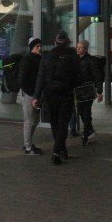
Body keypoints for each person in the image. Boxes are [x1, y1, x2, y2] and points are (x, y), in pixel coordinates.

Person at [32, 32, 81, 165]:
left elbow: (40, 78)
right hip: (66, 94)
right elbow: (79, 78)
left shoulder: (47, 57)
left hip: (50, 94)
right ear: (68, 43)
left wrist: (36, 96)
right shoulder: (73, 57)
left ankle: (60, 148)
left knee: (54, 122)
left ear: (55, 42)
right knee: (63, 123)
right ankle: (57, 151)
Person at [76, 39, 104, 146]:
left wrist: (99, 91)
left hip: (88, 90)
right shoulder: (76, 60)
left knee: (86, 112)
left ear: (85, 49)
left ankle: (85, 134)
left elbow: (97, 76)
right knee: (81, 111)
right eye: (77, 47)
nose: (77, 49)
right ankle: (90, 130)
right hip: (78, 90)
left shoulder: (90, 60)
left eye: (80, 47)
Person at [18, 37, 43, 155]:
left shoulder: (39, 59)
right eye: (37, 46)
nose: (40, 48)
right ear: (32, 47)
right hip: (29, 94)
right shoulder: (27, 60)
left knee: (35, 120)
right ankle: (27, 146)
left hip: (35, 94)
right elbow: (22, 80)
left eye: (40, 46)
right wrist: (31, 94)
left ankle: (28, 142)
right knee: (30, 120)